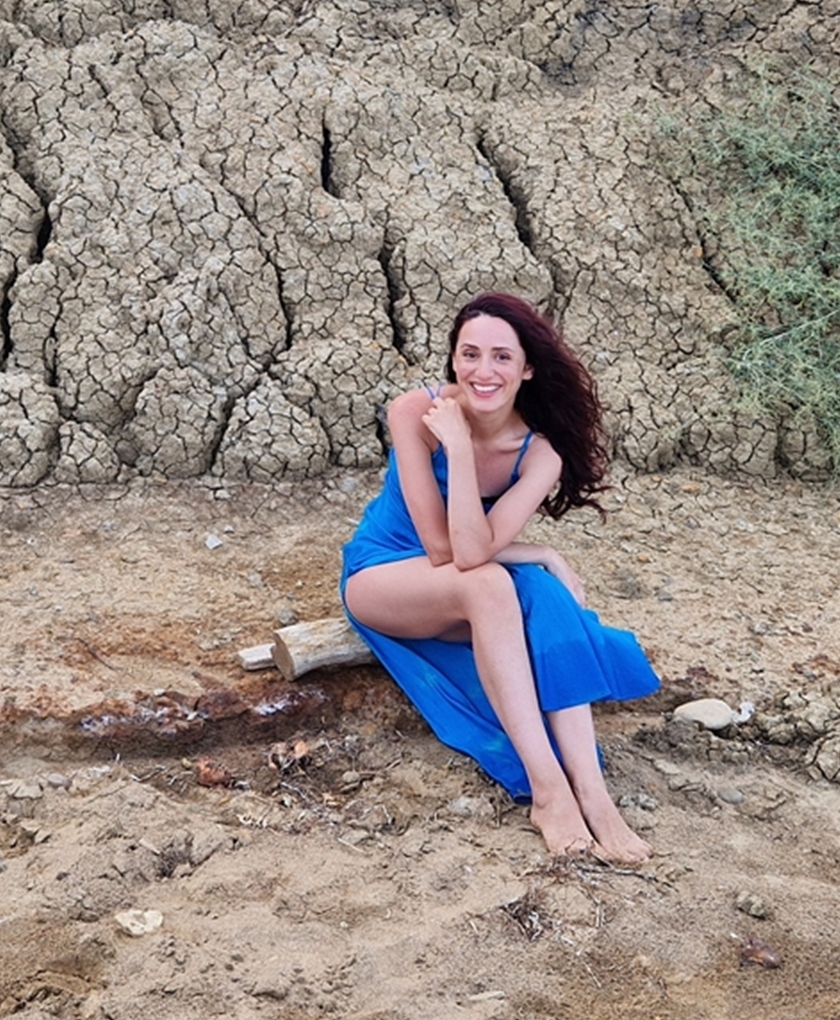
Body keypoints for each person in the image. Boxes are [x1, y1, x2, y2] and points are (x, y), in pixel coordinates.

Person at [341, 292, 659, 862]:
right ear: (453, 359)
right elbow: (447, 549)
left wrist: (543, 557)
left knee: (543, 592)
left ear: (527, 368)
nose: (482, 372)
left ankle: (593, 793)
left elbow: (475, 548)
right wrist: (460, 449)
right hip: (386, 573)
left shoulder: (540, 453)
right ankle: (549, 791)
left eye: (501, 357)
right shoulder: (416, 412)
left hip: (465, 571)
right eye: (469, 354)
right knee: (490, 582)